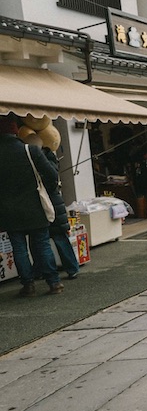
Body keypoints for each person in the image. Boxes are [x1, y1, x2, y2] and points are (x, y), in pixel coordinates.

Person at [0, 115, 63, 296]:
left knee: (19, 248)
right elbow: (52, 175)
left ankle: (28, 285)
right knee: (42, 244)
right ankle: (54, 282)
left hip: (8, 210)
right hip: (35, 206)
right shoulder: (30, 150)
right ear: (15, 130)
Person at [33, 143, 79, 281]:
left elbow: (52, 180)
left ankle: (67, 268)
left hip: (49, 203)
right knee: (53, 238)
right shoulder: (48, 156)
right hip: (53, 203)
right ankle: (68, 268)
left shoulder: (45, 157)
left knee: (48, 239)